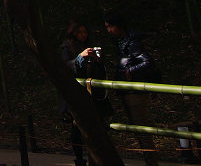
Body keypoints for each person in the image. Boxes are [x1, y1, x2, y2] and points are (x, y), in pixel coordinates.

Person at [103, 11, 160, 166]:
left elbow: (147, 61)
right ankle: (149, 160)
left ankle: (152, 162)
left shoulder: (132, 43)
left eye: (110, 27)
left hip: (135, 93)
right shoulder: (121, 42)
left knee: (141, 129)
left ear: (118, 26)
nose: (109, 30)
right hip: (127, 91)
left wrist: (131, 71)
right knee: (138, 129)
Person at [61, 20, 110, 166]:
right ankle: (79, 159)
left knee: (96, 127)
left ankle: (95, 158)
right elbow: (65, 67)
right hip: (76, 92)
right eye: (79, 32)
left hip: (93, 92)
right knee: (77, 128)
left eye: (85, 32)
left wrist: (97, 60)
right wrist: (80, 58)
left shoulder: (89, 45)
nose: (83, 35)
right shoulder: (66, 47)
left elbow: (100, 69)